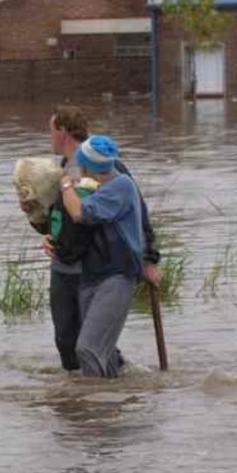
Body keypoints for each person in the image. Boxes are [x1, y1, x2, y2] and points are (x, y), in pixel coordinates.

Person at [22, 106, 162, 372]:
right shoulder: (57, 172)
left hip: (97, 265)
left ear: (63, 131)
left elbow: (139, 215)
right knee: (67, 342)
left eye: (51, 131)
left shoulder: (109, 168)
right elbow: (57, 220)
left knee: (90, 344)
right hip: (64, 265)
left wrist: (149, 258)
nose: (49, 137)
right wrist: (39, 223)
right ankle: (86, 393)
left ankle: (107, 388)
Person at [59, 135, 155, 378]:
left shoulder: (120, 186)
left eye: (80, 163)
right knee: (106, 352)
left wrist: (66, 185)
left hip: (117, 275)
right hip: (91, 275)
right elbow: (67, 223)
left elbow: (78, 213)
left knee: (88, 348)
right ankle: (116, 394)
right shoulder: (91, 186)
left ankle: (95, 400)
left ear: (89, 167)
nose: (77, 168)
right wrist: (52, 238)